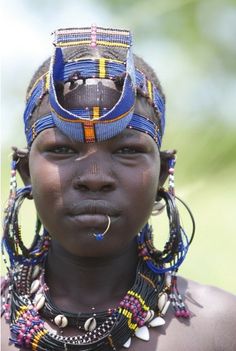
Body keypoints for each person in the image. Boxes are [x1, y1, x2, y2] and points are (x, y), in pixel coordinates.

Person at [1, 25, 236, 351]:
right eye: (63, 150)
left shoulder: (220, 328)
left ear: (162, 176)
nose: (94, 177)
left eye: (127, 151)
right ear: (27, 173)